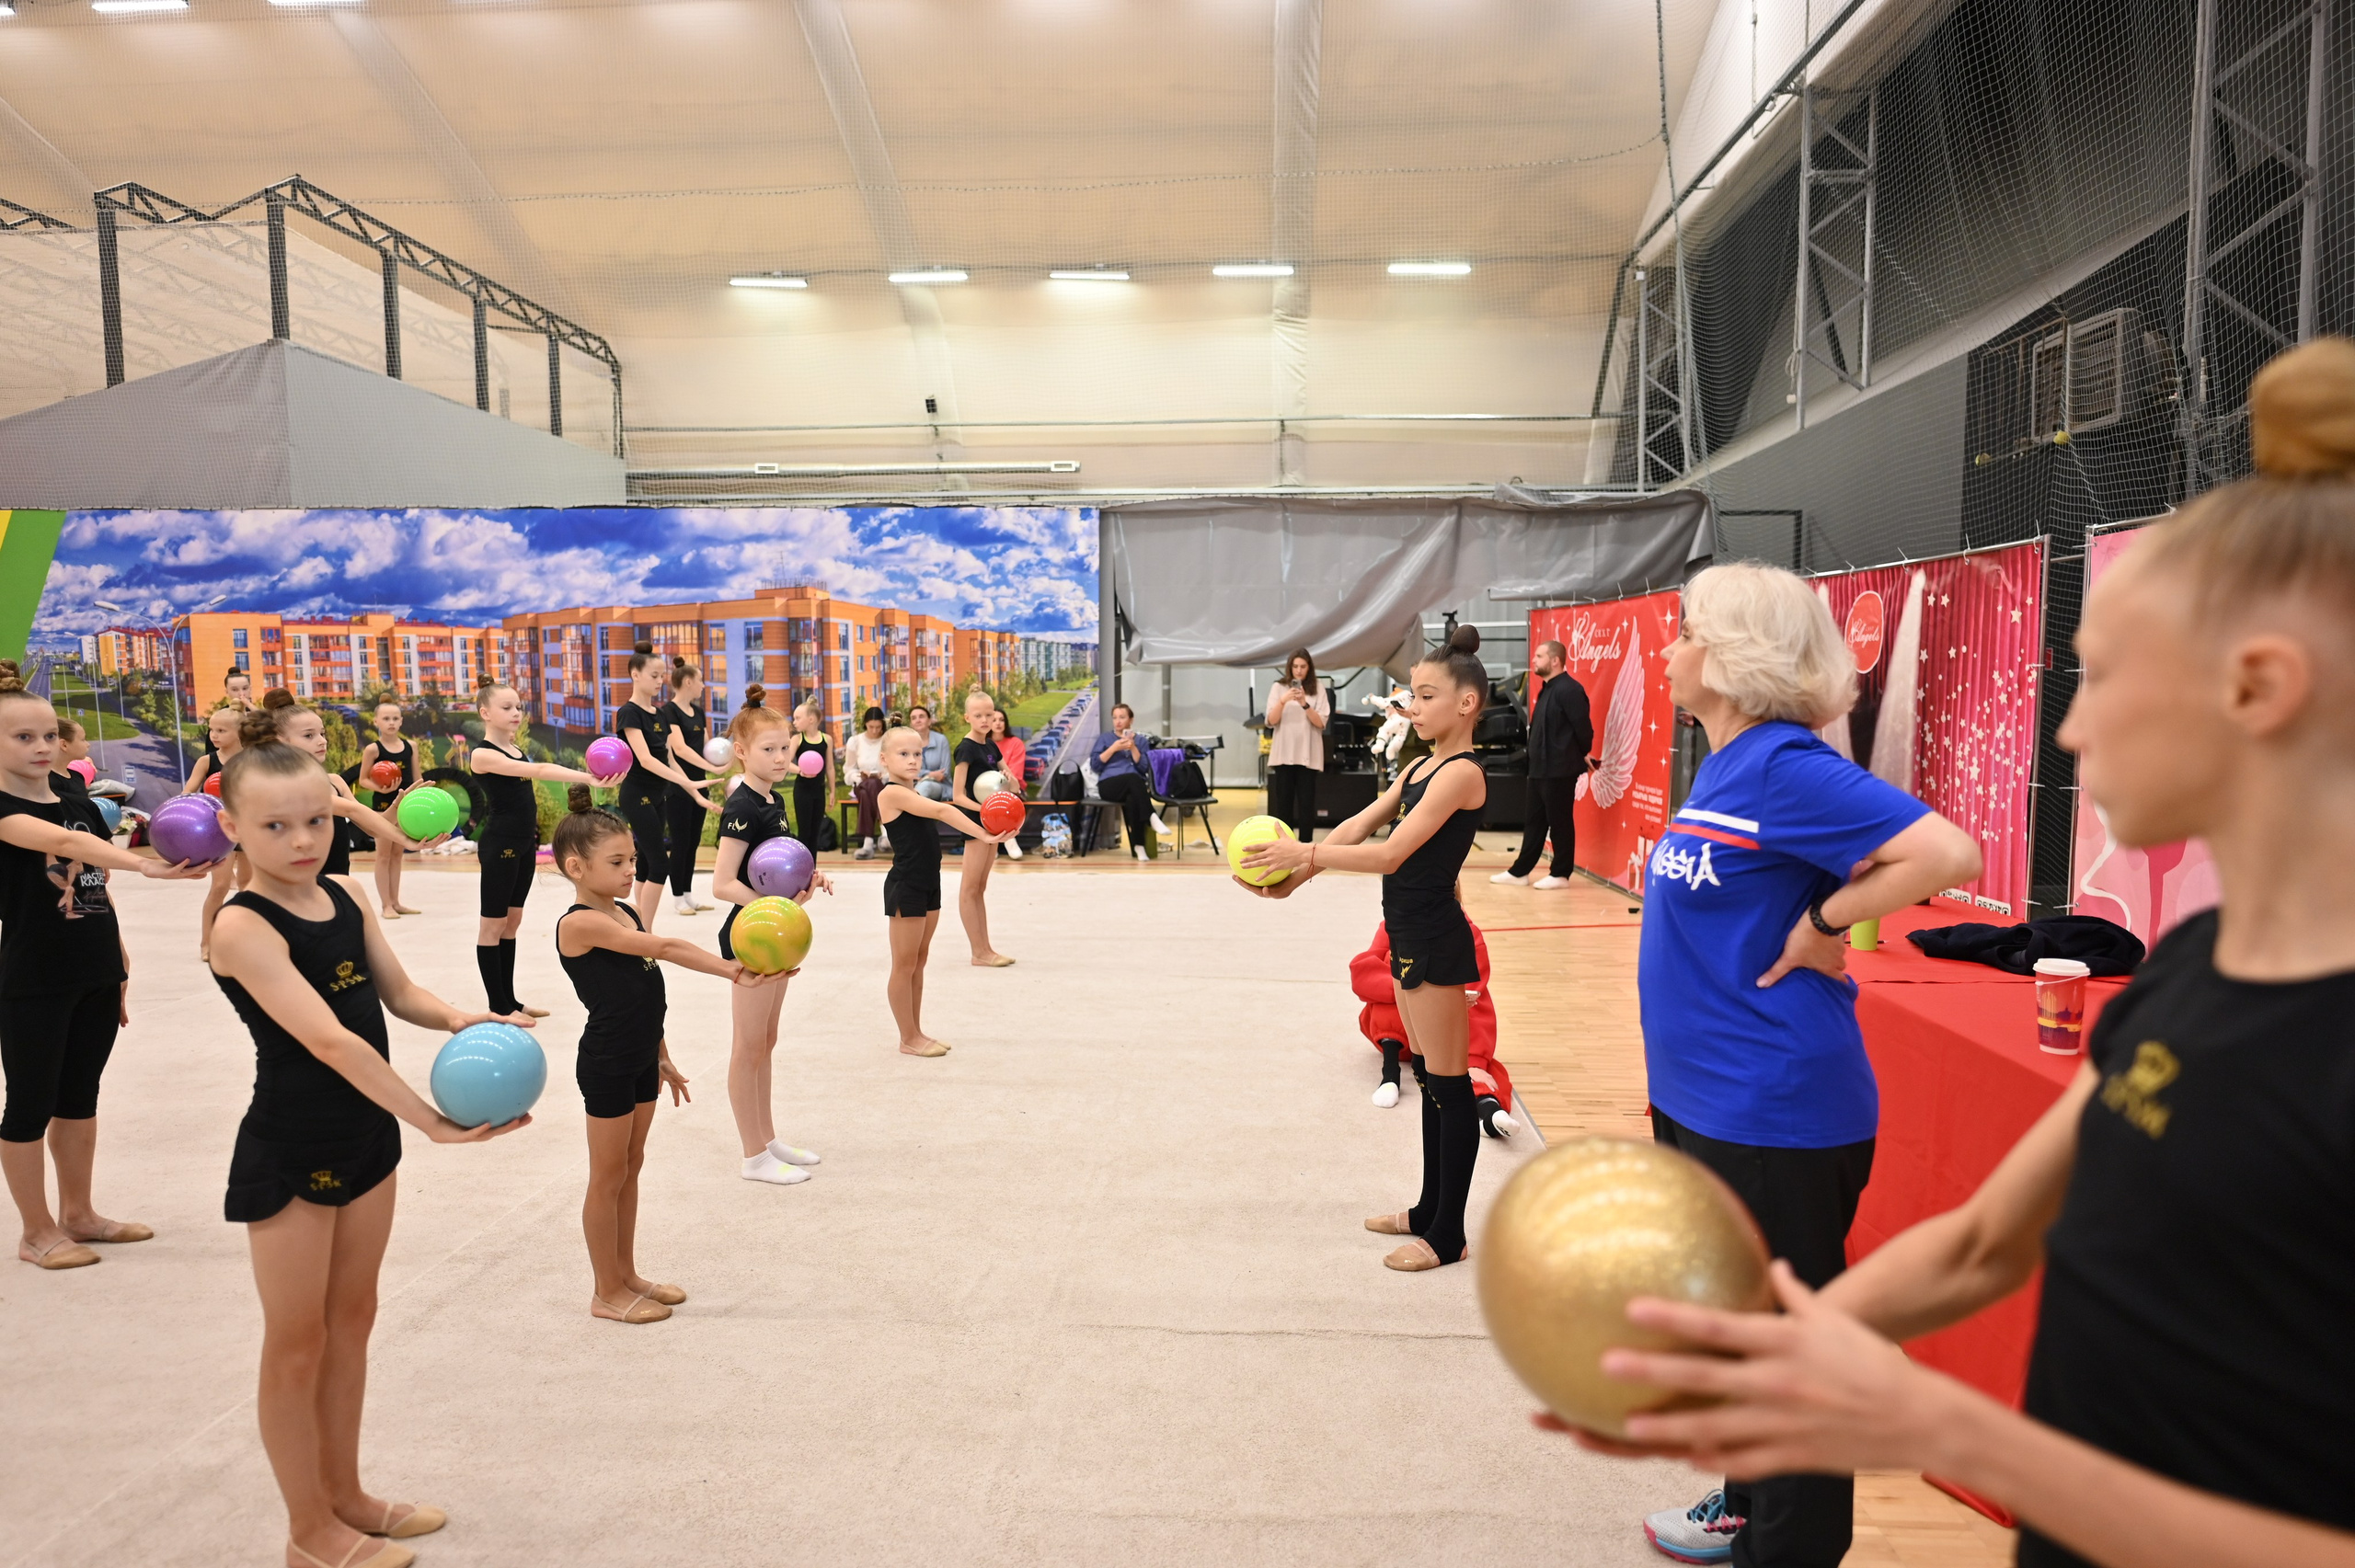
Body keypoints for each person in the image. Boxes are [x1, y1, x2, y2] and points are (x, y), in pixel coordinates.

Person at [1555, 340, 2355, 1568]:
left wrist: (1945, 1428)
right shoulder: (2196, 972)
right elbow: (1985, 1243)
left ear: (2260, 686)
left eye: (2100, 680)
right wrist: (1778, 1357)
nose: (2072, 727)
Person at [1561, 561, 1977, 1568]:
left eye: (1688, 630)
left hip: (1776, 1108)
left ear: (1736, 659)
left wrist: (1827, 918)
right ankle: (1748, 1499)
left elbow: (1947, 851)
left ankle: (1789, 1545)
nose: (1669, 646)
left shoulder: (1788, 764)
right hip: (1705, 1096)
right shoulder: (1725, 762)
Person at [207, 727, 526, 1568]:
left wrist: (467, 1017)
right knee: (297, 1340)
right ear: (232, 824)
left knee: (352, 1321)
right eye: (276, 826)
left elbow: (399, 994)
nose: (304, 840)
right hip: (292, 1142)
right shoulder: (241, 926)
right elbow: (333, 1045)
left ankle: (346, 1496)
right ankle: (307, 1532)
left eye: (317, 819)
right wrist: (430, 1120)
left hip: (365, 1136)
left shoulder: (343, 896)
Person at [1240, 625, 1491, 1272]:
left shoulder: (1462, 775)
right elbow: (1358, 826)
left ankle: (1447, 1234)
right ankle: (1427, 1207)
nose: (1415, 703)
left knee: (1449, 1082)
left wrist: (1307, 851)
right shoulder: (1417, 766)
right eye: (1414, 692)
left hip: (1436, 936)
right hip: (1405, 932)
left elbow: (1390, 852)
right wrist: (1297, 877)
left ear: (1467, 703)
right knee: (1429, 1080)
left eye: (1428, 694)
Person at [2, 666, 214, 1270]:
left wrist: (116, 959)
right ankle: (35, 1230)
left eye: (47, 735)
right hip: (32, 974)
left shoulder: (75, 798)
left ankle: (79, 1213)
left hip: (91, 965)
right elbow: (65, 847)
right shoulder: (3, 807)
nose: (41, 746)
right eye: (22, 737)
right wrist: (146, 865)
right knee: (30, 1103)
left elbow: (90, 882)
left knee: (79, 1098)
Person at [553, 787, 775, 1322]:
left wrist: (662, 1054)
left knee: (632, 1166)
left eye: (632, 859)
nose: (632, 869)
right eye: (617, 862)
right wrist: (733, 969)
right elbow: (665, 951)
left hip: (639, 1058)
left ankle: (627, 1273)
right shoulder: (580, 923)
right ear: (575, 867)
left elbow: (643, 988)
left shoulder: (624, 912)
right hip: (606, 1061)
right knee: (606, 1175)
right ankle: (605, 1291)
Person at [709, 690, 833, 1186]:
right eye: (769, 750)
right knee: (748, 1046)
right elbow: (722, 883)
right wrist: (773, 908)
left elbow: (775, 865)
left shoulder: (773, 799)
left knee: (767, 1041)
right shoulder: (741, 805)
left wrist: (808, 878)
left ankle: (768, 1139)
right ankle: (752, 1156)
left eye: (785, 748)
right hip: (750, 938)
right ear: (741, 750)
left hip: (774, 933)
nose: (781, 758)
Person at [469, 677, 598, 1022]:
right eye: (507, 708)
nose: (516, 713)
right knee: (492, 926)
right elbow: (539, 770)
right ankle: (498, 1007)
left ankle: (510, 1000)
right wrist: (587, 777)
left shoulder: (513, 748)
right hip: (501, 845)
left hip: (525, 842)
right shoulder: (482, 754)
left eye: (519, 707)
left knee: (512, 922)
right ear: (485, 712)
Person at [876, 725, 1006, 1056]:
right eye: (903, 754)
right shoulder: (890, 794)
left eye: (917, 753)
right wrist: (986, 833)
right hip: (906, 886)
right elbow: (943, 810)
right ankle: (907, 1038)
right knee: (903, 965)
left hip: (928, 883)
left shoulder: (915, 792)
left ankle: (916, 1031)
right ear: (884, 759)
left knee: (919, 962)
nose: (912, 760)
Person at [1349, 921, 1517, 1138]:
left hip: (1443, 1035)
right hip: (1402, 1035)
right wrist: (1412, 990)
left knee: (1485, 1069)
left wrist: (1473, 1061)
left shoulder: (1467, 933)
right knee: (1397, 980)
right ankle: (1390, 1075)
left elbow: (1475, 997)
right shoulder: (1394, 924)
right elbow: (1363, 974)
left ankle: (1489, 1110)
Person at [247, 692, 434, 886]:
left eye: (322, 733)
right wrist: (405, 840)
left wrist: (397, 805)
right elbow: (351, 809)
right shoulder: (282, 785)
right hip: (297, 890)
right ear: (279, 742)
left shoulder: (335, 782)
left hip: (337, 887)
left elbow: (373, 828)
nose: (322, 741)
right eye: (309, 735)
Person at [613, 643, 718, 931]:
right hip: (638, 796)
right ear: (635, 674)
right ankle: (644, 931)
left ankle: (639, 926)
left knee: (647, 863)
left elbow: (670, 758)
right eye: (654, 675)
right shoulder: (629, 713)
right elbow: (645, 760)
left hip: (659, 797)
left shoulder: (660, 715)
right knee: (660, 864)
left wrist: (695, 792)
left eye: (661, 676)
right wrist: (688, 781)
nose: (660, 681)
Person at [1494, 638, 1593, 889]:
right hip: (1539, 768)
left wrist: (1580, 753)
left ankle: (1560, 873)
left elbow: (1584, 730)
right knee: (1535, 822)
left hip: (1560, 769)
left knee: (1560, 821)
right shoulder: (1547, 688)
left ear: (1555, 660)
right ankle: (1520, 872)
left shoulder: (1570, 690)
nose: (1534, 660)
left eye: (1539, 656)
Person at [951, 688, 1014, 966]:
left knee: (981, 887)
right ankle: (978, 952)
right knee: (970, 888)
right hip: (977, 823)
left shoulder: (991, 746)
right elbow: (958, 796)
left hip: (992, 822)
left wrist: (1008, 778)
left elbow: (1009, 783)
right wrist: (987, 811)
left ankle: (986, 948)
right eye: (979, 715)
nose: (985, 720)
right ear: (968, 717)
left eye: (989, 714)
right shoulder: (966, 748)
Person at [660, 659, 717, 917]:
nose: (704, 685)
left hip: (700, 783)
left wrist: (720, 759)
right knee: (681, 842)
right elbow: (679, 749)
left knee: (692, 843)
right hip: (678, 786)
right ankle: (677, 897)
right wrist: (711, 766)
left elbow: (706, 746)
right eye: (701, 680)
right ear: (688, 682)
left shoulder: (700, 713)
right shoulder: (669, 711)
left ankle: (689, 895)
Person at [357, 700, 420, 920]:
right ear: (376, 721)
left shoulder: (411, 746)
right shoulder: (373, 749)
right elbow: (363, 780)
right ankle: (386, 905)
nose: (391, 722)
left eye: (395, 718)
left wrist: (419, 797)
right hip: (383, 808)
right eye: (386, 718)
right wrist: (382, 788)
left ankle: (396, 901)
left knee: (397, 854)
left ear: (401, 721)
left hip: (406, 807)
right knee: (383, 855)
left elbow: (417, 776)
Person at [196, 702, 249, 963]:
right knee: (219, 886)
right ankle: (208, 941)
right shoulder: (207, 761)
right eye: (211, 730)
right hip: (220, 831)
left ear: (239, 733)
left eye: (221, 730)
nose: (214, 736)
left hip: (249, 829)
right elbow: (187, 793)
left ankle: (245, 938)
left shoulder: (253, 759)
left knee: (249, 888)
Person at [1264, 647, 1330, 841]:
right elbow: (1271, 720)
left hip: (1307, 754)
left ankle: (1306, 846)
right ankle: (1283, 845)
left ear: (1309, 667)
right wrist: (1284, 701)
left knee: (1306, 804)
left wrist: (1304, 703)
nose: (1299, 671)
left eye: (1303, 666)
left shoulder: (1318, 688)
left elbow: (1321, 722)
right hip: (1284, 754)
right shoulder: (1278, 687)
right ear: (1290, 668)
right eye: (1295, 666)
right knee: (1283, 804)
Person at [1092, 704, 1168, 864]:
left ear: (1130, 720)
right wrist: (1113, 748)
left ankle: (1139, 846)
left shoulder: (1140, 741)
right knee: (1134, 780)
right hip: (1109, 784)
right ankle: (1152, 816)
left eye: (1122, 717)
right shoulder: (1105, 739)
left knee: (1133, 798)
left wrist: (1133, 748)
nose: (1118, 721)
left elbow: (1143, 768)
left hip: (1133, 786)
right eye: (1115, 718)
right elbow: (1096, 765)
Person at [184, 664, 254, 795]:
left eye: (245, 688)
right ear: (226, 691)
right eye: (234, 689)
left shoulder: (258, 718)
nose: (241, 694)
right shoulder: (220, 718)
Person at [842, 706, 888, 859]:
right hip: (861, 782)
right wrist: (859, 776)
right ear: (865, 724)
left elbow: (895, 767)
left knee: (868, 790)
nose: (875, 731)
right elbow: (848, 770)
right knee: (868, 785)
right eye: (871, 727)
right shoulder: (855, 741)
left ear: (883, 724)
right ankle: (885, 833)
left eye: (878, 727)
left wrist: (883, 776)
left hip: (884, 785)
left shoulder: (888, 740)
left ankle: (868, 843)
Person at [788, 702, 833, 855]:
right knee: (804, 832)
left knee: (815, 833)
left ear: (811, 719)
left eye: (798, 718)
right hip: (802, 790)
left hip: (819, 791)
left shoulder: (826, 739)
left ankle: (811, 870)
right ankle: (801, 869)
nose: (794, 722)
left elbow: (830, 767)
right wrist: (800, 771)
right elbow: (786, 763)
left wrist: (832, 791)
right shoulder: (797, 739)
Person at [909, 704, 952, 800]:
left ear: (929, 721)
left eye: (921, 716)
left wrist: (920, 775)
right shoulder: (908, 744)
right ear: (911, 724)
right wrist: (930, 774)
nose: (918, 720)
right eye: (914, 718)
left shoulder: (941, 740)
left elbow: (944, 773)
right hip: (913, 785)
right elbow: (908, 771)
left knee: (925, 786)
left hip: (940, 786)